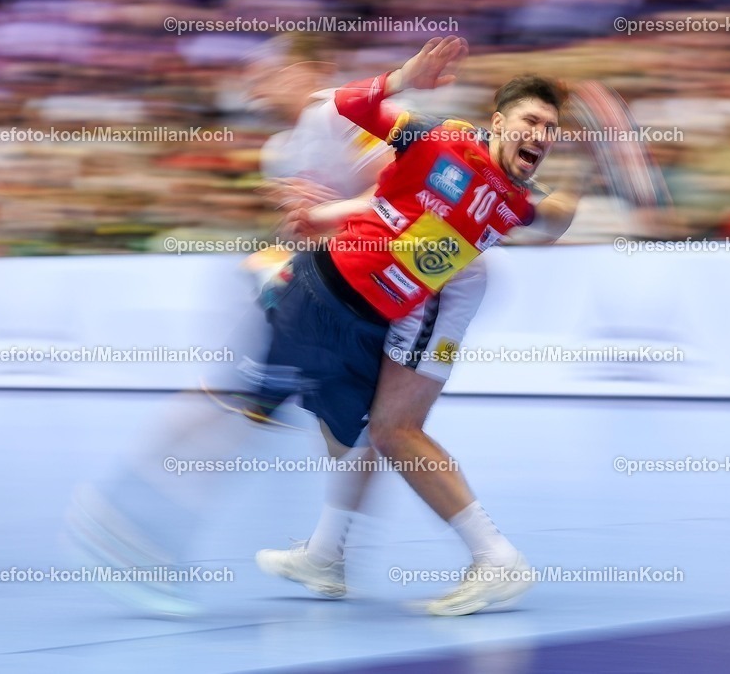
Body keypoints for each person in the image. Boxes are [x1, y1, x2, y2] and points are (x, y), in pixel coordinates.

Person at [244, 36, 576, 615]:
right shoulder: (441, 138)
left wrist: (561, 205)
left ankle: (494, 559)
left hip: (443, 298)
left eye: (551, 129)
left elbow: (548, 220)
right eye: (531, 121)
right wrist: (403, 78)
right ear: (498, 122)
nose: (541, 136)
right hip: (409, 289)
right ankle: (327, 552)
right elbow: (352, 115)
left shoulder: (518, 197)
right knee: (358, 422)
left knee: (394, 430)